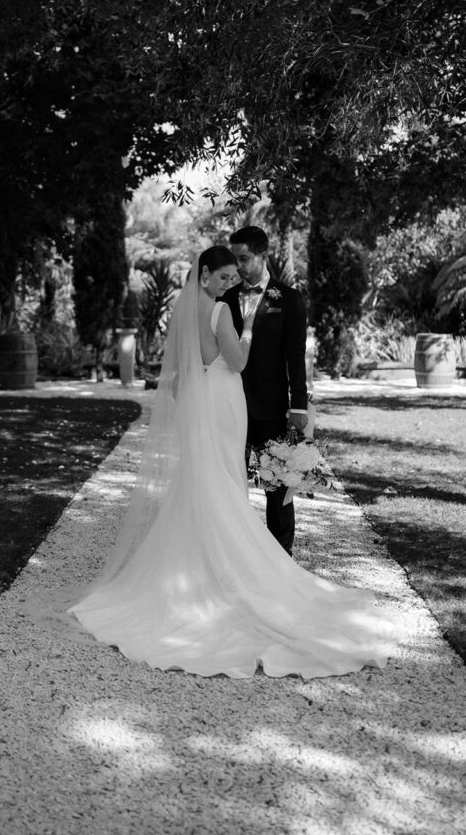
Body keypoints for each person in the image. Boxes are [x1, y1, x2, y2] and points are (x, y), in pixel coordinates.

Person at [68, 246, 395, 679]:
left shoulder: (183, 310)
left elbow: (187, 368)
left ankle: (195, 566)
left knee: (205, 476)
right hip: (223, 399)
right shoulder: (220, 311)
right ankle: (231, 570)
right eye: (222, 277)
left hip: (202, 400)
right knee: (223, 479)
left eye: (231, 278)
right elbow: (236, 362)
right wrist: (248, 336)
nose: (229, 283)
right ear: (204, 275)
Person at [224, 226, 307, 555]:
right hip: (231, 409)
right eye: (234, 259)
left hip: (273, 411)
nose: (238, 266)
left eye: (243, 258)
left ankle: (282, 562)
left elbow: (295, 357)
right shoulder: (226, 299)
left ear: (263, 255)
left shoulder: (288, 299)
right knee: (230, 489)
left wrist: (297, 406)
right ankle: (234, 560)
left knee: (279, 492)